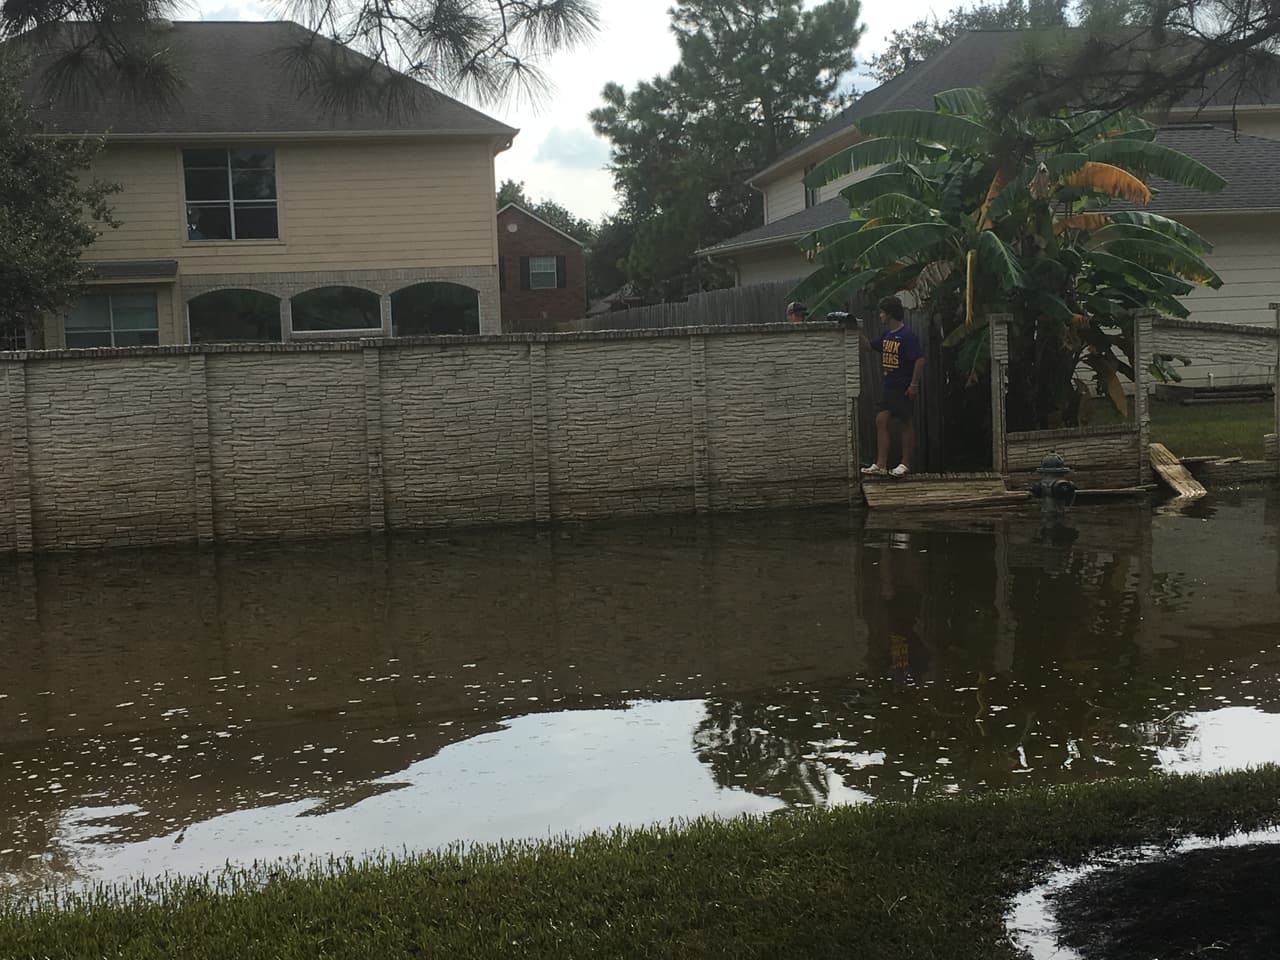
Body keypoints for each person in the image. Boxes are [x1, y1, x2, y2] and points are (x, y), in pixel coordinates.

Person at [860, 295, 924, 478]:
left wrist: (914, 384)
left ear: (889, 314)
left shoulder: (907, 336)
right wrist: (855, 331)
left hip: (903, 386)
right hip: (889, 386)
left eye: (882, 312)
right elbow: (868, 347)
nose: (880, 316)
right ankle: (881, 465)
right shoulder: (887, 335)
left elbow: (919, 360)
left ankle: (905, 463)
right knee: (881, 420)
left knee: (905, 422)